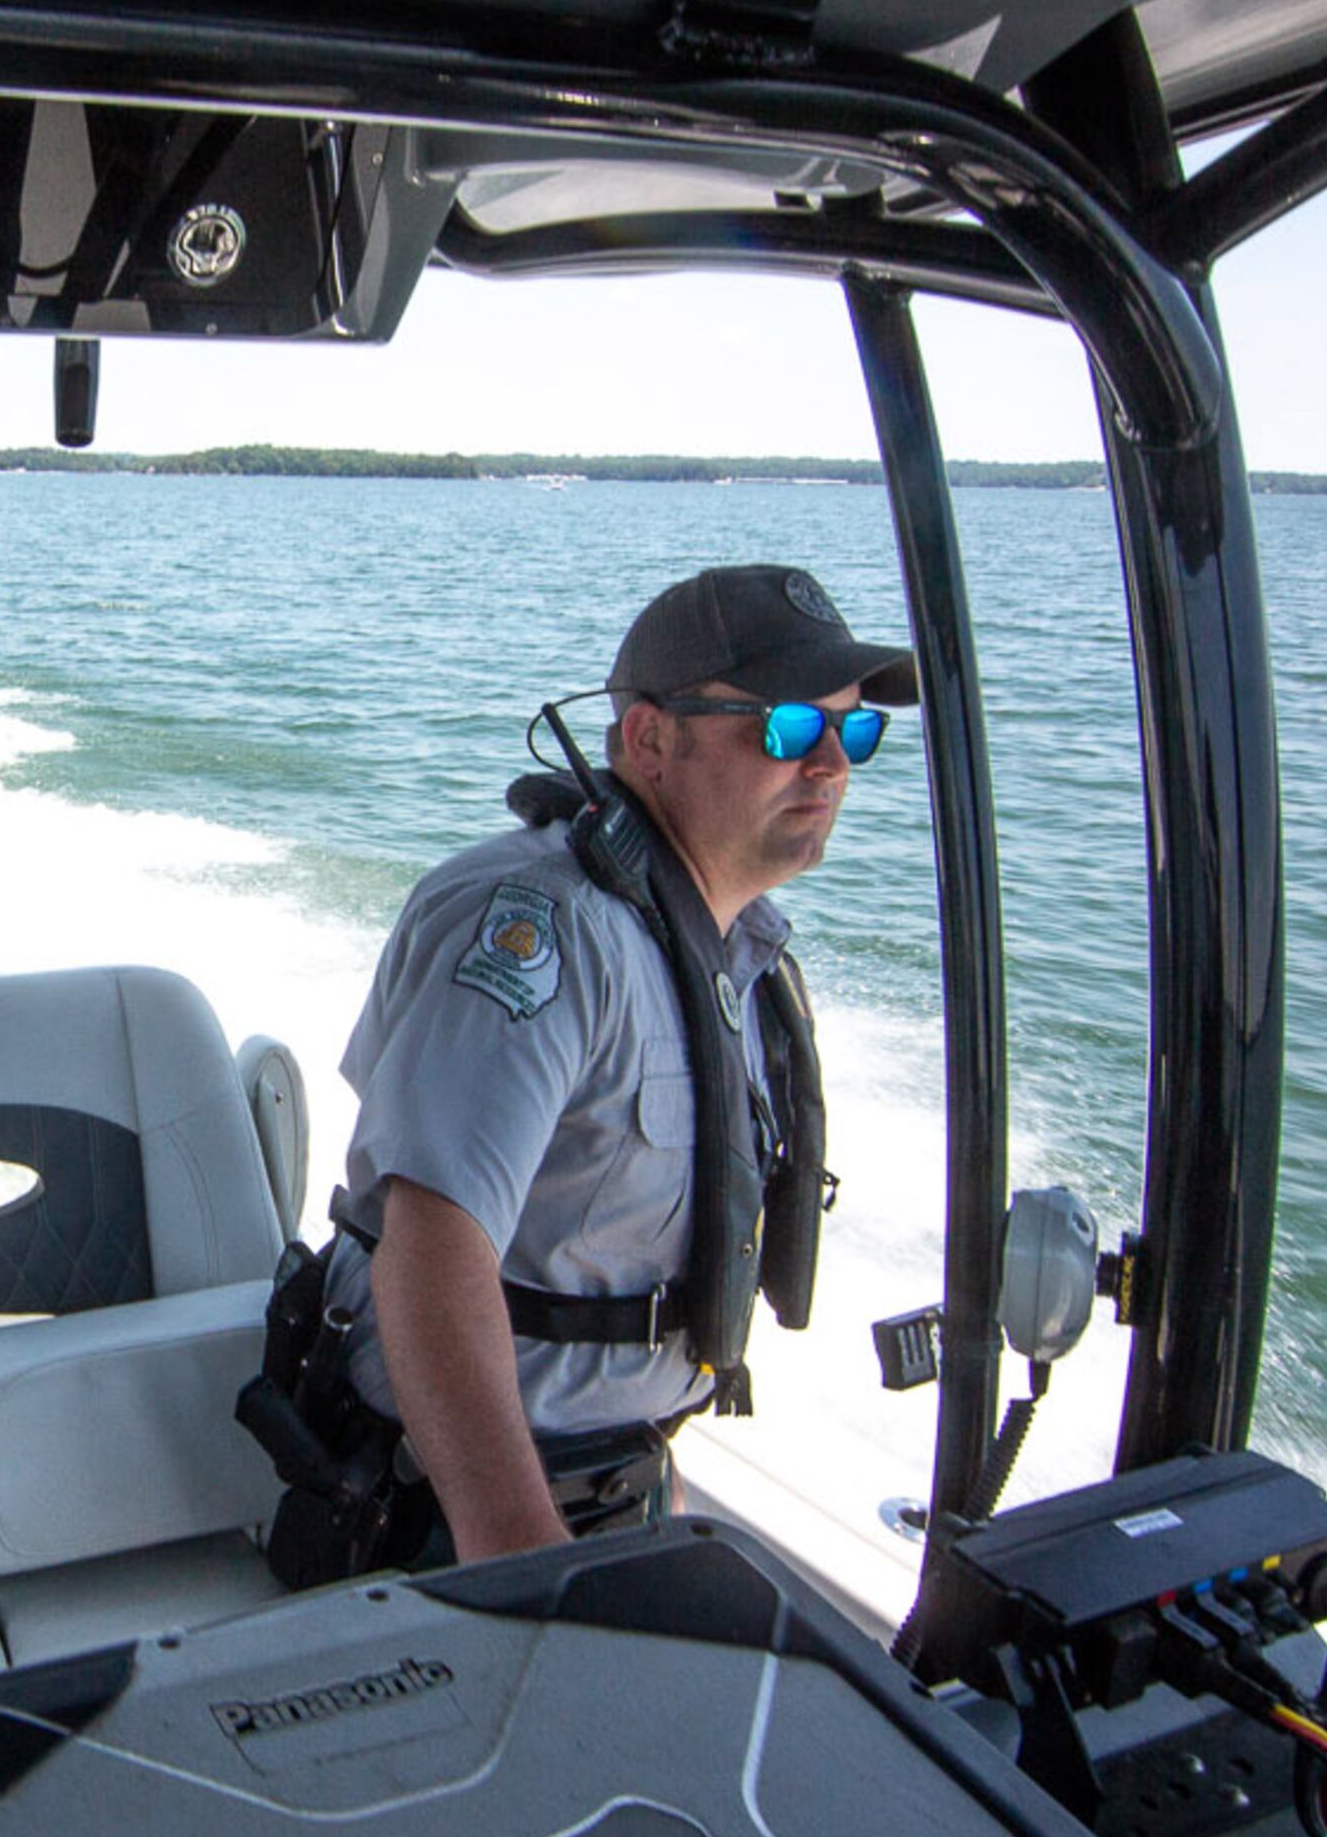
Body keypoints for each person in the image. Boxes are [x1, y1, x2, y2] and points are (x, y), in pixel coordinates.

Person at [241, 563, 912, 1582]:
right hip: (447, 1511)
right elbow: (430, 1249)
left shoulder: (733, 952)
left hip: (608, 1480)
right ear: (649, 738)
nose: (830, 765)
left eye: (853, 731)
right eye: (785, 729)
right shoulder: (540, 930)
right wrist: (520, 1564)